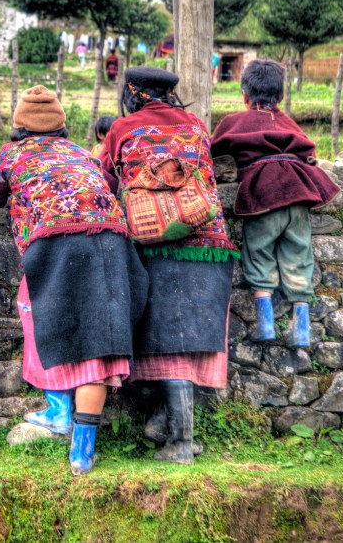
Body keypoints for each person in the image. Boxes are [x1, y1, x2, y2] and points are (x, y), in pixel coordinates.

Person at [0, 85, 148, 476]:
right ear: (60, 124)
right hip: (110, 243)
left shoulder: (11, 154)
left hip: (54, 244)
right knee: (100, 342)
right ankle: (82, 452)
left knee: (39, 315)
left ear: (20, 125)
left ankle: (58, 413)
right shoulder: (80, 153)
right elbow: (110, 186)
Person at [100, 66, 237, 465]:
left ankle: (180, 442)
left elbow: (106, 179)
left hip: (156, 246)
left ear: (133, 92)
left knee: (168, 340)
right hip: (207, 244)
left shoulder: (123, 129)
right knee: (185, 340)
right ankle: (166, 426)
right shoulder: (195, 126)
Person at [211, 60, 339, 348]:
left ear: (244, 94)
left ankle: (266, 325)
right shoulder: (288, 122)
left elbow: (212, 150)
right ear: (280, 96)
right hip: (298, 192)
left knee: (258, 252)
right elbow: (308, 151)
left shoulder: (234, 123)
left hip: (263, 195)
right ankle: (301, 329)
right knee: (299, 252)